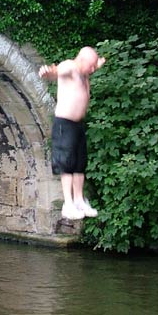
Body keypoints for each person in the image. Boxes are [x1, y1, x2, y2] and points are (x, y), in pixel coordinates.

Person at [39, 46, 106, 220]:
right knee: (66, 164)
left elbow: (93, 63)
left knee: (79, 164)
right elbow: (58, 71)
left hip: (77, 125)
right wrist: (50, 72)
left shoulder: (85, 71)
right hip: (64, 124)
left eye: (94, 67)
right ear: (82, 61)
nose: (93, 70)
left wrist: (98, 63)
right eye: (90, 66)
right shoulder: (70, 67)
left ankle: (79, 200)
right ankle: (67, 204)